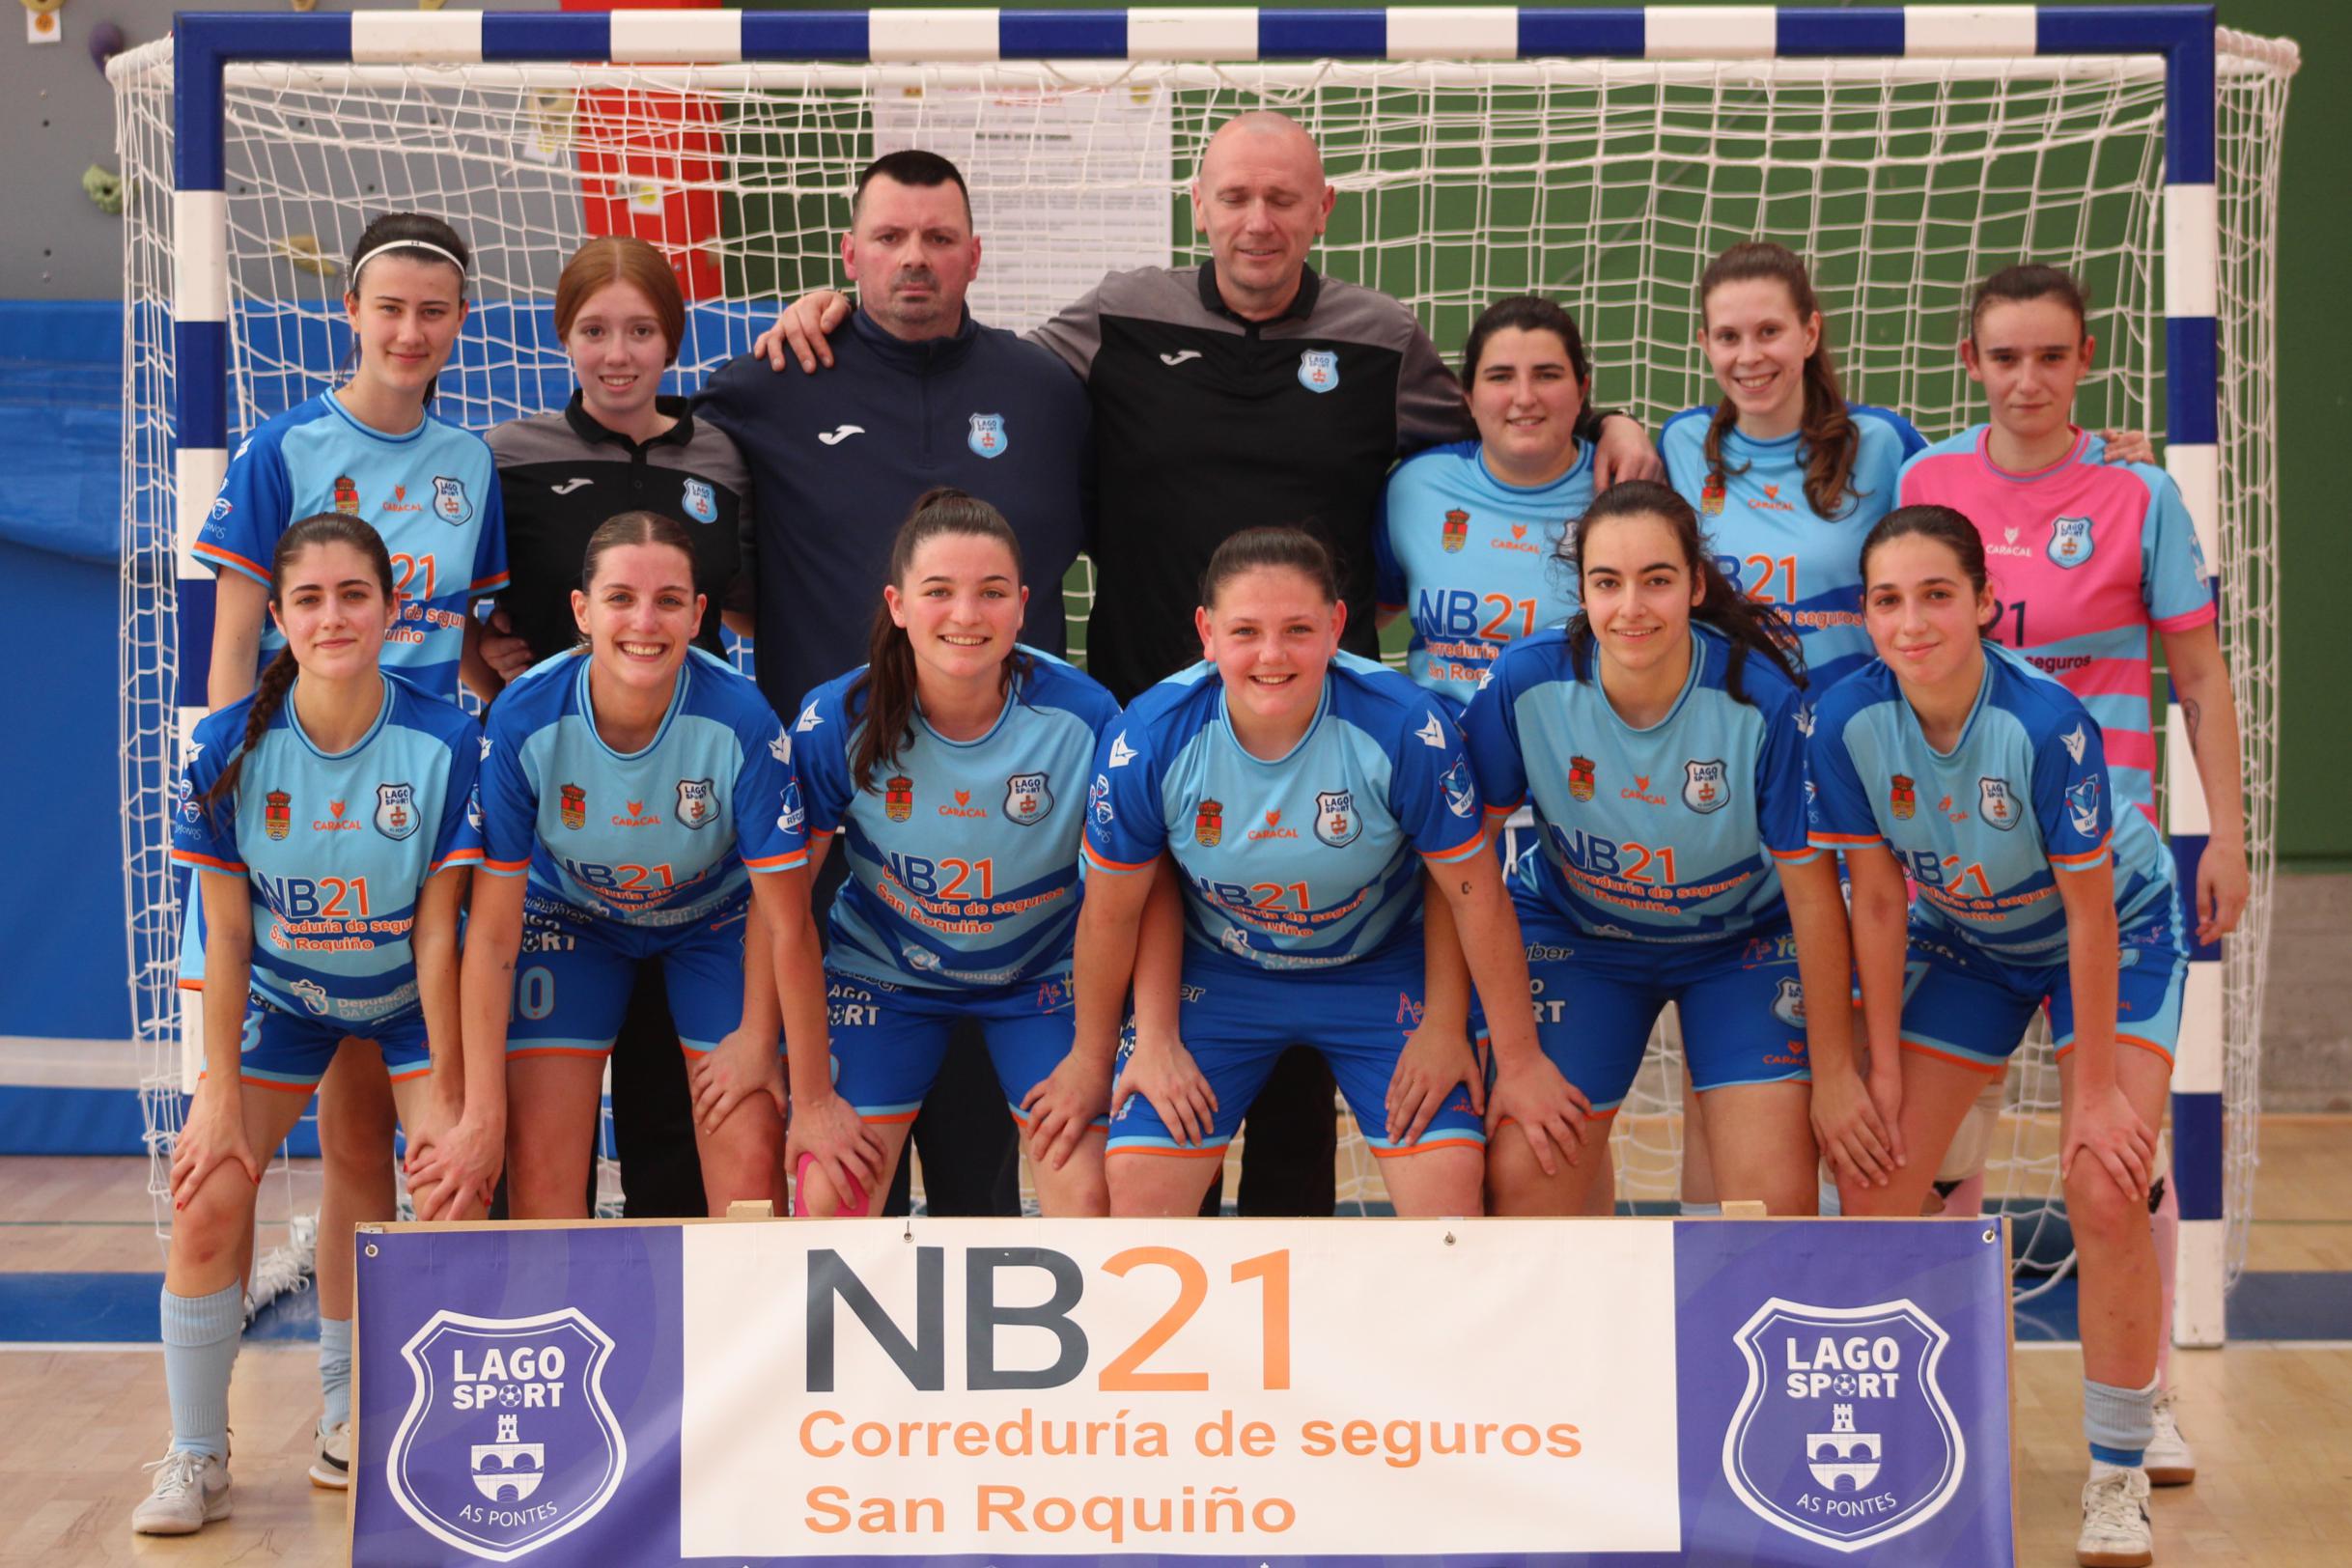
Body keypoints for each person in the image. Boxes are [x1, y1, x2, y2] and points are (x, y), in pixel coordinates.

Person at [764, 113, 1658, 1216]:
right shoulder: (1119, 316)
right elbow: (967, 354)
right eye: (1235, 197)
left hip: (1318, 740)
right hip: (1160, 735)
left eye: (1283, 199)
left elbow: (1508, 416)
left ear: (1324, 210)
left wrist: (1612, 423)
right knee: (1173, 1061)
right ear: (1199, 205)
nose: (1258, 221)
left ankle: (1290, 1300)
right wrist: (845, 311)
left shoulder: (1382, 338)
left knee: (1296, 1104)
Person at [1900, 263, 2247, 1484]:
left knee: (2114, 1151)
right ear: (1971, 362)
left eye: (2052, 356)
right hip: (1964, 880)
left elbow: (2198, 677)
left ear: (2086, 360)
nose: (2028, 379)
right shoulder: (1927, 481)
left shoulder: (2139, 493)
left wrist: (2228, 834)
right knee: (1934, 1152)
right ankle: (1949, 1400)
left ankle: (2144, 1401)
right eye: (2005, 356)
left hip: (2113, 871)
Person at [702, 149, 1096, 1217]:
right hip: (840, 815)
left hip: (1006, 838)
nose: (914, 258)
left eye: (936, 238)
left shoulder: (1046, 391)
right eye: (889, 237)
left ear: (976, 254)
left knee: (984, 1172)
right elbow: (665, 522)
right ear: (848, 253)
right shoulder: (766, 385)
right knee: (838, 1167)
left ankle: (983, 1325)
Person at [182, 211, 505, 1489]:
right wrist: (227, 775)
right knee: (264, 1152)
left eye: (434, 311)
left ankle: (358, 1415)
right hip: (296, 809)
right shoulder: (286, 449)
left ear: (459, 325)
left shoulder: (469, 462)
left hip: (416, 814)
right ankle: (217, 1441)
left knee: (383, 1144)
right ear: (353, 314)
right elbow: (236, 632)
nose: (410, 331)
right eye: (390, 308)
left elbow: (474, 645)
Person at [1811, 504, 2187, 1568]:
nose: (1912, 621)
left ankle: (2117, 1474)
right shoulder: (1846, 719)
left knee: (2103, 1181)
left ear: (1985, 602)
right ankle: (1901, 1445)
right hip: (1969, 939)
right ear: (1865, 615)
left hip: (2113, 932)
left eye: (1937, 595)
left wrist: (2095, 1097)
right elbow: (1874, 900)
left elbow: (2091, 915)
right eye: (1888, 600)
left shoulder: (2046, 722)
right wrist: (1885, 1069)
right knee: (1876, 1177)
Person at [1068, 527, 1584, 1219]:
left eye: (1298, 629)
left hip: (1380, 969)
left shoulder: (1405, 728)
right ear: (1207, 633)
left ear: (1337, 627)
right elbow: (1111, 913)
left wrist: (1481, 1045)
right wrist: (1106, 1053)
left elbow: (1474, 898)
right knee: (1139, 1186)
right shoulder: (1148, 739)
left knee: (1449, 1192)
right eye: (1245, 631)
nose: (1272, 654)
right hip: (1221, 973)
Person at [134, 515, 482, 1535]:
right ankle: (196, 1455)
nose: (333, 616)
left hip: (407, 999)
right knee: (208, 1189)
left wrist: (448, 1095)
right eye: (310, 599)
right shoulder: (225, 746)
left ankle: (366, 1417)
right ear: (280, 617)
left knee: (450, 1191)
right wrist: (216, 1096)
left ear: (392, 608)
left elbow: (438, 935)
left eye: (354, 595)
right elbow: (227, 935)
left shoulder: (448, 739)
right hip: (284, 1000)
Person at [1456, 481, 1850, 1217]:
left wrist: (1835, 1076)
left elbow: (1815, 897)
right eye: (1607, 583)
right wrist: (1512, 1056)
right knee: (1527, 1178)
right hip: (1580, 936)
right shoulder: (1528, 681)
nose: (1631, 607)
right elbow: (1457, 866)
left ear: (1695, 586)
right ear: (1582, 590)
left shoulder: (1760, 700)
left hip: (1740, 944)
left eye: (1657, 581)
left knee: (1773, 1201)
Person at [434, 513, 823, 1219]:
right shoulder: (523, 717)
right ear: (582, 611)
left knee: (751, 1163)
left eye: (668, 600)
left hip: (712, 921)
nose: (645, 621)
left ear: (699, 615)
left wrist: (768, 1051)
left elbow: (788, 921)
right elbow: (489, 935)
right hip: (569, 918)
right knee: (538, 1173)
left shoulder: (742, 719)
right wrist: (482, 1112)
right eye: (620, 598)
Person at [478, 236, 758, 1218]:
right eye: (594, 331)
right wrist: (485, 665)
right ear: (563, 338)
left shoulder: (721, 455)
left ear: (672, 341)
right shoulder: (508, 458)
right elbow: (445, 610)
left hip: (688, 821)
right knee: (543, 1144)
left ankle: (676, 1303)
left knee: (673, 1116)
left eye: (640, 331)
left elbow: (747, 602)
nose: (618, 354)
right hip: (564, 820)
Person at [790, 490, 1123, 1218]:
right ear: (898, 604)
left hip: (1042, 975)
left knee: (1093, 1198)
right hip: (883, 975)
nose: (966, 615)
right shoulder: (838, 718)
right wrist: (808, 1098)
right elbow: (779, 914)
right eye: (939, 591)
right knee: (827, 1199)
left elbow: (1129, 899)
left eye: (992, 593)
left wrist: (1094, 1059)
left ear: (1023, 607)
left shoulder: (1086, 717)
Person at [1375, 294, 1597, 712]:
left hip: (1576, 745)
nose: (1524, 397)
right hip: (1444, 746)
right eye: (1500, 377)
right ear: (1469, 396)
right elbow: (1362, 618)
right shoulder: (1416, 487)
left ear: (1581, 390)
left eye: (1547, 375)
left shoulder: (1622, 491)